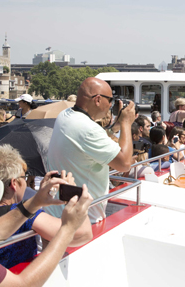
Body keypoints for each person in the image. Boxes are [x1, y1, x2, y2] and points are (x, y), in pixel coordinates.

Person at [0, 145, 92, 268]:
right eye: (24, 177)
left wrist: (42, 196)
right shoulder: (22, 214)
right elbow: (83, 235)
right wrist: (73, 195)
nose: (26, 182)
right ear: (14, 183)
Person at [45, 77, 135, 223]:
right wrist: (126, 123)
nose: (111, 105)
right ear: (98, 100)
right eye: (110, 100)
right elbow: (124, 164)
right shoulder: (88, 129)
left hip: (57, 213)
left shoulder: (65, 115)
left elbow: (87, 142)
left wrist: (115, 126)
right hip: (82, 220)